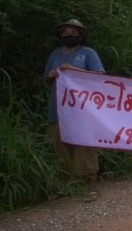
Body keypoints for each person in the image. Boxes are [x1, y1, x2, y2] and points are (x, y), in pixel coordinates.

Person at [44, 18, 105, 202]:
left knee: (85, 146)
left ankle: (92, 187)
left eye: (72, 31)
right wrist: (51, 75)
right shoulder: (55, 54)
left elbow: (100, 76)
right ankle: (68, 186)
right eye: (65, 32)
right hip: (57, 110)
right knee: (61, 147)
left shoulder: (88, 53)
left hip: (82, 111)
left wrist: (73, 70)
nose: (68, 34)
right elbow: (45, 79)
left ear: (80, 34)